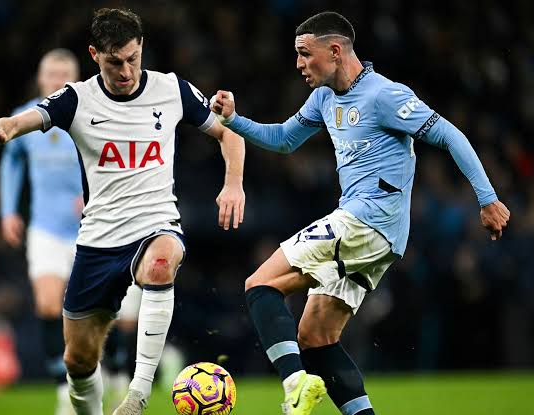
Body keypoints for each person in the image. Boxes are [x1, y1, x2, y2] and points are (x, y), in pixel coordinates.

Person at [210, 11, 510, 415]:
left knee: (259, 285)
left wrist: (487, 199)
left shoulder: (384, 95)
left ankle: (295, 384)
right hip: (374, 234)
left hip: (366, 221)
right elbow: (283, 139)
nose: (298, 64)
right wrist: (232, 119)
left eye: (304, 54)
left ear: (335, 51)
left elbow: (449, 134)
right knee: (316, 337)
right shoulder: (323, 97)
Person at [0, 8, 246, 415]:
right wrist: (4, 126)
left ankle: (136, 396)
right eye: (114, 62)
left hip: (155, 224)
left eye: (133, 58)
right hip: (98, 240)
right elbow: (28, 119)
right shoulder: (77, 99)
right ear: (94, 55)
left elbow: (230, 134)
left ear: (142, 49)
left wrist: (232, 184)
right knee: (78, 360)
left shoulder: (171, 90)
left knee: (161, 263)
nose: (126, 71)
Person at [0, 48, 82, 415]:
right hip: (45, 227)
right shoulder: (26, 118)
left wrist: (92, 193)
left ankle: (106, 372)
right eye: (52, 73)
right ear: (40, 78)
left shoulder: (88, 112)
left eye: (66, 73)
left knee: (91, 313)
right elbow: (11, 161)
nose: (58, 79)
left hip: (90, 228)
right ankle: (65, 388)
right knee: (48, 304)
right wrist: (8, 211)